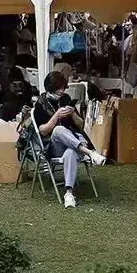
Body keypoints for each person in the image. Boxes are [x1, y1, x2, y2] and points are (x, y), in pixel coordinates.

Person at [32, 71, 104, 209]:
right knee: (58, 130)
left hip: (73, 143)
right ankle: (91, 153)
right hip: (54, 146)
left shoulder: (66, 99)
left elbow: (81, 124)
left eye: (63, 88)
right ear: (50, 87)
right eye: (58, 88)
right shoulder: (40, 105)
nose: (61, 91)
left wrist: (73, 114)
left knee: (70, 152)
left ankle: (69, 194)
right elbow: (43, 131)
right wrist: (57, 116)